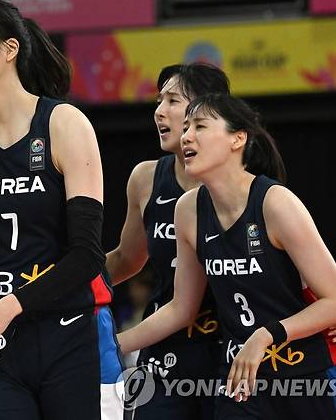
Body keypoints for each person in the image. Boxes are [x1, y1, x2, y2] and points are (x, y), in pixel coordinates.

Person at [0, 0, 123, 420]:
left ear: (10, 48)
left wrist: (8, 305)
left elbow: (87, 256)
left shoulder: (64, 124)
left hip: (68, 334)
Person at [117, 93, 336, 419]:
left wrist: (266, 334)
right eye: (185, 128)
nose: (186, 137)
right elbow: (181, 308)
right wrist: (113, 345)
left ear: (238, 139)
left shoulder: (275, 203)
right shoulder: (188, 210)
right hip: (241, 380)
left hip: (307, 376)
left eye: (199, 126)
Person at [106, 63, 230, 419]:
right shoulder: (146, 178)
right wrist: (55, 288)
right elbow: (126, 260)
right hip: (165, 343)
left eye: (173, 100)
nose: (159, 111)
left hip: (229, 343)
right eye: (158, 100)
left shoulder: (243, 185)